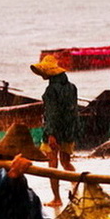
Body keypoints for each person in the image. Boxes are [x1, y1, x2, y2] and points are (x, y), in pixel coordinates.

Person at [30, 54, 80, 207]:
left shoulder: (51, 90)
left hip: (55, 131)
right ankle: (78, 190)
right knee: (66, 162)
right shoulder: (71, 87)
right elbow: (72, 111)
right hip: (69, 130)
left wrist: (51, 134)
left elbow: (52, 114)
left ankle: (57, 198)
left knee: (52, 165)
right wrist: (72, 131)